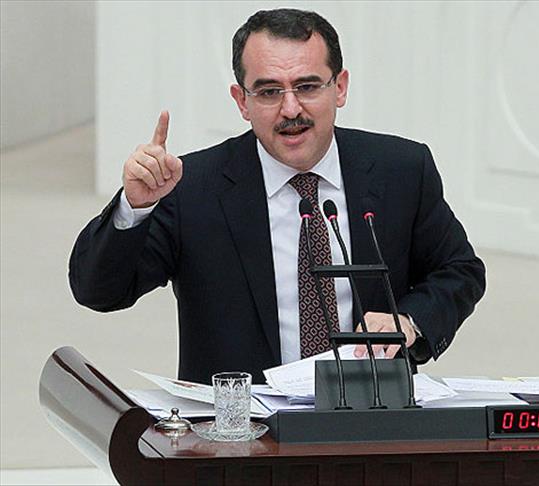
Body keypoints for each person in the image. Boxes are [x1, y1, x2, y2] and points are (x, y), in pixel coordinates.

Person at [69, 8, 486, 384]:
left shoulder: (402, 170)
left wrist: (408, 321)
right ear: (242, 101)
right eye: (269, 92)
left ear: (340, 88)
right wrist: (136, 207)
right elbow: (99, 291)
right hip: (240, 430)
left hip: (368, 415)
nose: (291, 110)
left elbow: (460, 270)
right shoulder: (193, 187)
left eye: (307, 86)